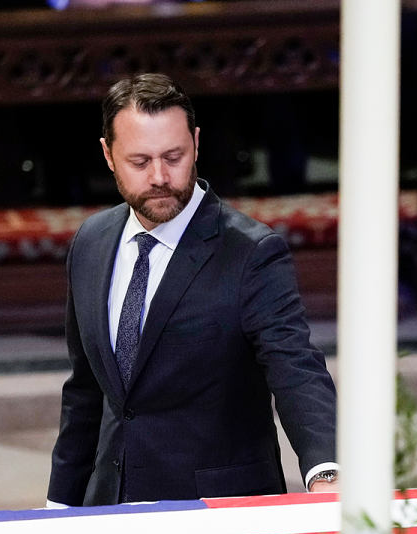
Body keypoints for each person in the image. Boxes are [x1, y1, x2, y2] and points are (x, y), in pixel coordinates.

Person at [47, 73, 339, 506]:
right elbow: (86, 389)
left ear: (196, 144)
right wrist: (61, 505)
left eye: (174, 157)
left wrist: (326, 471)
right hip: (107, 507)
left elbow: (295, 366)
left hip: (217, 514)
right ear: (109, 155)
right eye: (140, 162)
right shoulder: (92, 241)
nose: (160, 177)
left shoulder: (251, 252)